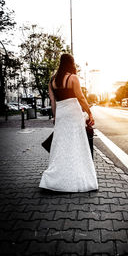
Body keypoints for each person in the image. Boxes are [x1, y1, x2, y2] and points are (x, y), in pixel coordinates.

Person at [39, 53, 98, 192]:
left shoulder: (52, 81)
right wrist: (89, 113)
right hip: (73, 113)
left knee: (60, 145)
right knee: (76, 144)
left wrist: (55, 117)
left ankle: (55, 178)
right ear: (71, 63)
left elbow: (53, 102)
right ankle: (77, 176)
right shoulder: (73, 78)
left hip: (61, 113)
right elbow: (81, 98)